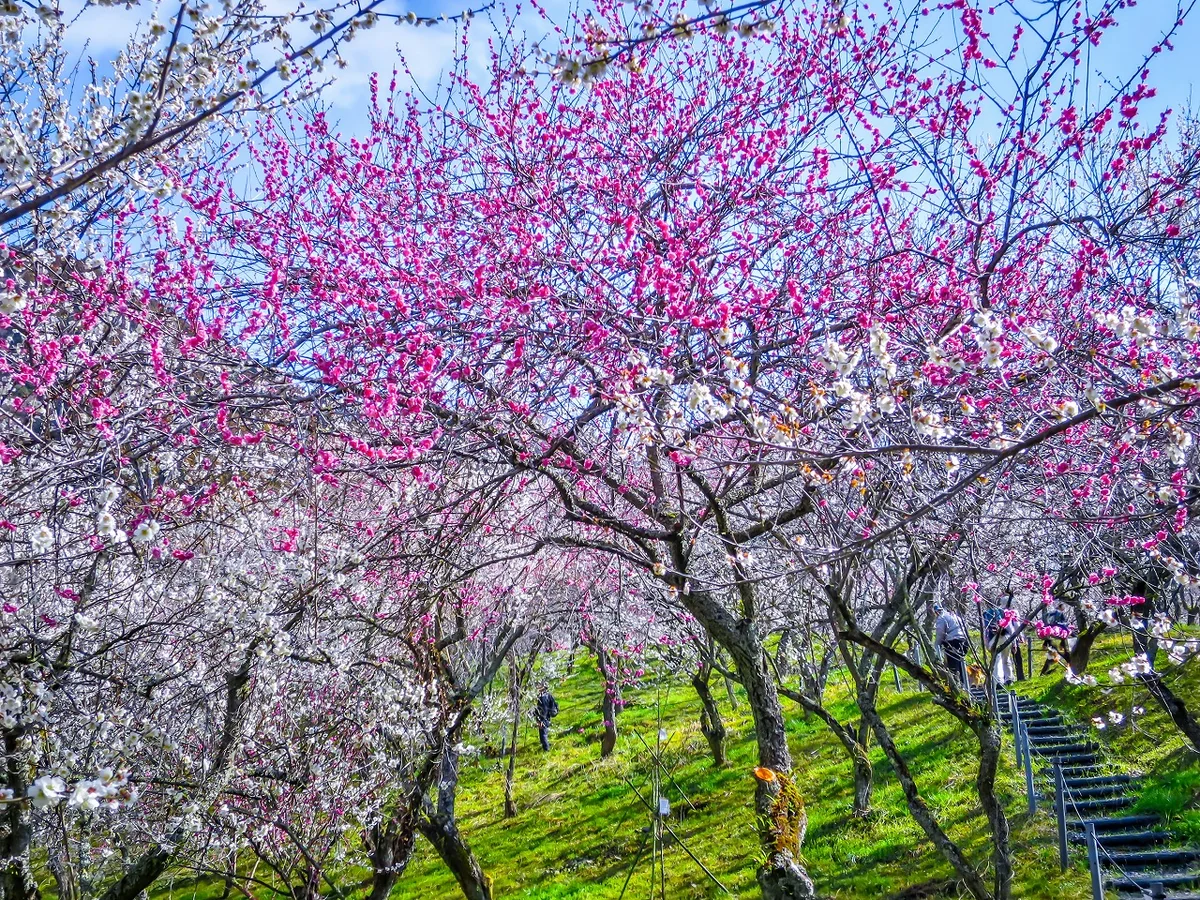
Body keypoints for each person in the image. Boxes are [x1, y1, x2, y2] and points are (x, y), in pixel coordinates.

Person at [933, 603, 969, 687]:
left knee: (953, 664)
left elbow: (940, 634)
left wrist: (936, 647)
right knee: (961, 663)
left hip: (953, 642)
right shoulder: (956, 616)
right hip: (964, 641)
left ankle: (957, 685)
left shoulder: (941, 618)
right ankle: (964, 683)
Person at [1040, 601, 1071, 675]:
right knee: (1063, 654)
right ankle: (1069, 667)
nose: (1064, 608)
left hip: (1053, 634)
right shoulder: (1059, 613)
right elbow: (1064, 623)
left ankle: (1043, 673)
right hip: (1059, 635)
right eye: (1063, 607)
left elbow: (1046, 619)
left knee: (1053, 655)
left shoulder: (1051, 613)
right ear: (1060, 607)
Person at [534, 683, 559, 751]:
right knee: (543, 734)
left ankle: (546, 750)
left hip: (544, 718)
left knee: (543, 735)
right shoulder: (547, 694)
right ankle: (547, 746)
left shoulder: (543, 697)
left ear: (543, 687)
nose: (537, 687)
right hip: (546, 716)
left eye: (539, 686)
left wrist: (541, 720)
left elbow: (544, 709)